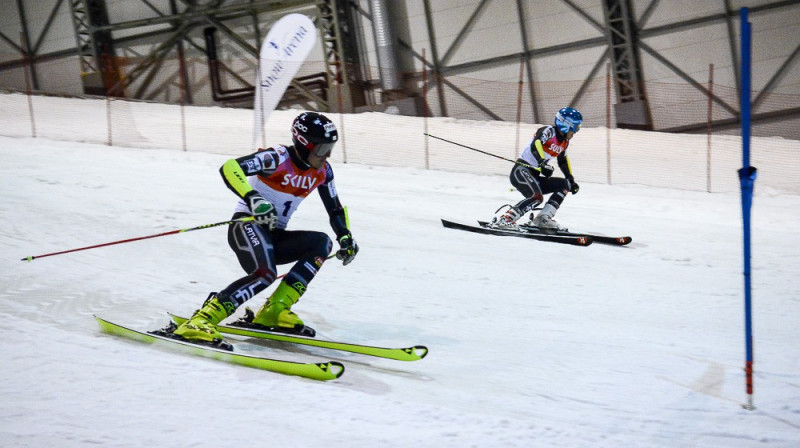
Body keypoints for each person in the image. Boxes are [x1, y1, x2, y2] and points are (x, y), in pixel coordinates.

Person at [173, 111, 359, 345]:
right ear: (303, 144)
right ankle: (202, 319)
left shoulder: (323, 172)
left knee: (321, 243)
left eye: (331, 148)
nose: (328, 155)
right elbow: (230, 167)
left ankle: (275, 308)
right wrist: (253, 199)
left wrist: (345, 237)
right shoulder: (277, 158)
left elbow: (335, 209)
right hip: (246, 226)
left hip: (274, 235)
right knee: (266, 273)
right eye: (322, 149)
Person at [491, 107, 582, 231]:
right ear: (566, 125)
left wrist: (571, 180)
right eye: (575, 128)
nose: (576, 131)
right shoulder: (548, 131)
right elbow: (536, 144)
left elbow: (562, 161)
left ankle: (542, 219)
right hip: (521, 171)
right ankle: (505, 219)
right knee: (537, 197)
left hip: (534, 175)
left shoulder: (564, 142)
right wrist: (541, 163)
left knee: (564, 184)